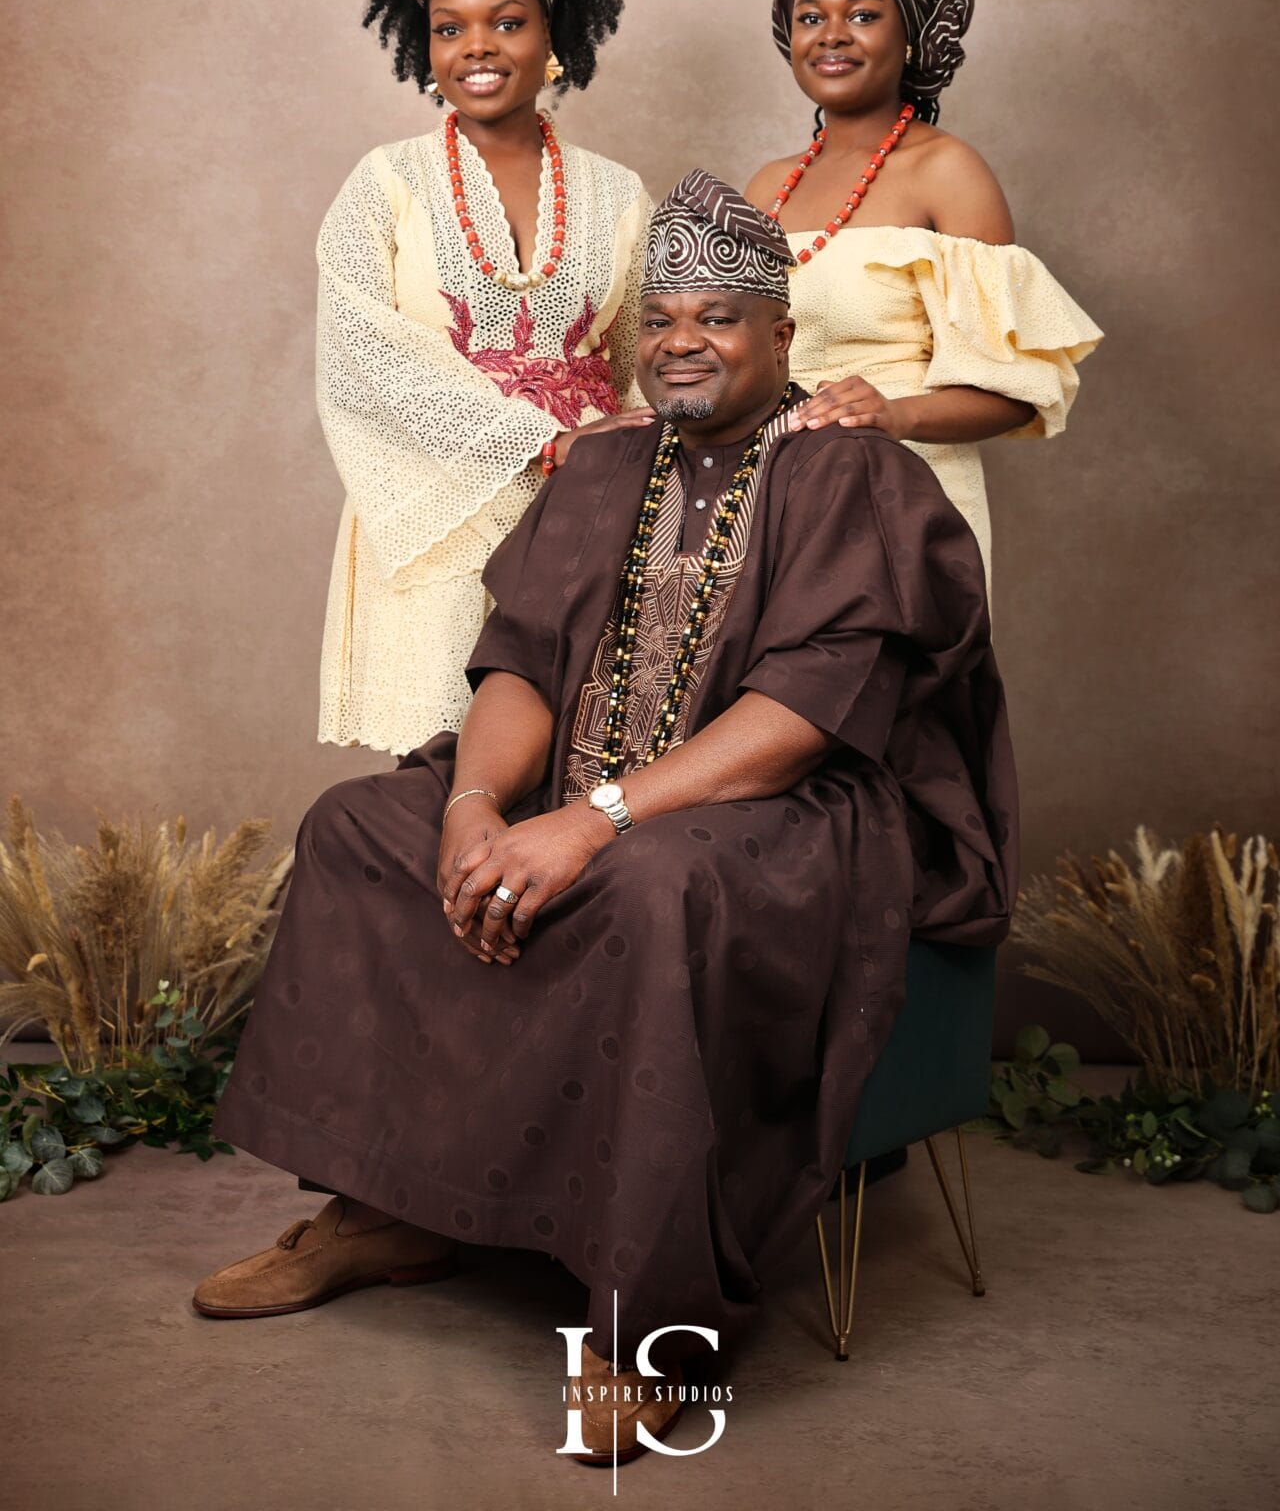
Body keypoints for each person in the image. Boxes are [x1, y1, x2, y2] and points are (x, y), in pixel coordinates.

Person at [197, 171, 1018, 1464]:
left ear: (781, 335)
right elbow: (517, 657)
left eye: (719, 318)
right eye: (663, 318)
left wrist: (594, 821)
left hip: (787, 814)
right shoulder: (604, 468)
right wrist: (476, 804)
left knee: (647, 887)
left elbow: (803, 717)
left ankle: (648, 1333)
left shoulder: (851, 471)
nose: (682, 341)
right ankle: (388, 1208)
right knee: (364, 829)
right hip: (582, 786)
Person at [317, 0, 653, 757]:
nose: (478, 48)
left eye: (507, 22)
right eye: (449, 27)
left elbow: (633, 368)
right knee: (439, 781)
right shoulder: (385, 184)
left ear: (554, 37)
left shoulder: (619, 195)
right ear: (422, 45)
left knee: (574, 773)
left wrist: (609, 452)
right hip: (440, 518)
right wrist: (541, 441)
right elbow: (366, 362)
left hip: (587, 520)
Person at [743, 0, 1103, 593]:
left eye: (864, 14)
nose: (832, 34)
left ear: (909, 35)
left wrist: (894, 413)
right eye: (811, 16)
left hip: (902, 503)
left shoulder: (949, 172)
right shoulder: (766, 186)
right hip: (767, 505)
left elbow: (1018, 389)